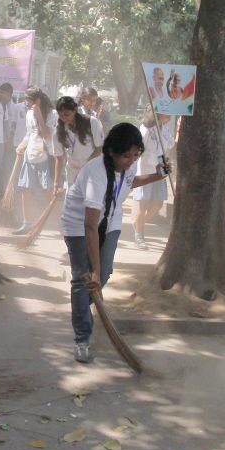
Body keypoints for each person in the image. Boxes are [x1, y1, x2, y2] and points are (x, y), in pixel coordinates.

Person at [61, 122, 168, 363]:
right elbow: (90, 226)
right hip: (79, 226)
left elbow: (128, 182)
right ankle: (82, 339)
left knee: (105, 273)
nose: (131, 160)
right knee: (84, 278)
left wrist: (156, 176)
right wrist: (94, 270)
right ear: (111, 152)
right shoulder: (96, 173)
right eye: (126, 156)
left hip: (110, 222)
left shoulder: (127, 165)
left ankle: (81, 306)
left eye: (135, 155)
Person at [14, 87, 56, 234]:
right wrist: (22, 145)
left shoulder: (52, 114)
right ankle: (26, 222)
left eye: (28, 100)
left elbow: (48, 136)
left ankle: (56, 222)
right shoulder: (29, 113)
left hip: (46, 156)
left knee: (49, 190)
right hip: (30, 155)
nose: (25, 103)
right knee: (26, 188)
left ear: (37, 101)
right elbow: (30, 134)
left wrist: (39, 116)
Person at [132, 112, 174, 249]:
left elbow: (170, 144)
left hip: (161, 167)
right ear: (159, 114)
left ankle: (139, 223)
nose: (170, 116)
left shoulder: (165, 128)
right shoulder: (146, 129)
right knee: (143, 204)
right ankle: (139, 235)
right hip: (146, 169)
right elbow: (138, 149)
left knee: (158, 204)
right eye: (167, 114)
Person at [52, 96, 103, 191]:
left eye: (67, 114)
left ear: (75, 110)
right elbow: (59, 158)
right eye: (60, 115)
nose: (64, 119)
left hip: (91, 173)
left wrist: (85, 169)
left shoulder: (92, 122)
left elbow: (99, 148)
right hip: (72, 175)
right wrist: (56, 183)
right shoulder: (58, 132)